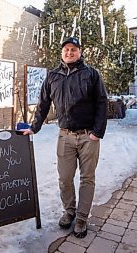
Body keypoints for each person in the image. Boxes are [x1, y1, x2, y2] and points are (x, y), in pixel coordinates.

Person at [22, 36, 108, 238]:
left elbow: (102, 103)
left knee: (87, 178)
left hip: (88, 137)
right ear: (62, 53)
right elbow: (43, 104)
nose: (69, 53)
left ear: (80, 52)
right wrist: (34, 127)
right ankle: (69, 211)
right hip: (65, 136)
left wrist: (97, 132)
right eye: (66, 50)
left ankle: (81, 218)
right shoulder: (53, 76)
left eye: (73, 49)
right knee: (65, 178)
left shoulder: (91, 74)